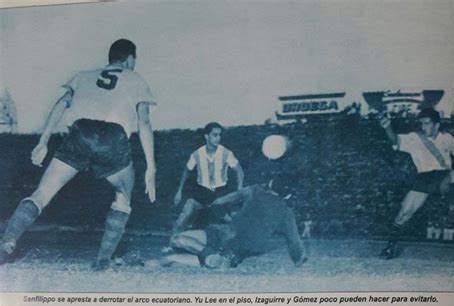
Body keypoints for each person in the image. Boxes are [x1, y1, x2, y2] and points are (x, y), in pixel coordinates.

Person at [0, 39, 157, 270]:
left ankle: (7, 242)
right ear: (130, 59)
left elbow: (60, 105)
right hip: (112, 137)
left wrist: (43, 142)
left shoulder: (83, 75)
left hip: (79, 133)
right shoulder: (135, 78)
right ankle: (102, 261)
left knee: (42, 193)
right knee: (123, 198)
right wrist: (151, 167)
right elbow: (144, 122)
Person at [379, 108, 454, 259]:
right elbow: (395, 140)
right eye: (422, 123)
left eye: (427, 123)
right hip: (425, 178)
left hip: (442, 176)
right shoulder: (414, 138)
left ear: (436, 125)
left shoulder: (446, 138)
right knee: (403, 214)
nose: (423, 127)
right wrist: (387, 127)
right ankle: (390, 246)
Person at [162, 182, 307, 269]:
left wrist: (217, 209)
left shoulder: (254, 191)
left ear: (270, 184)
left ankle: (206, 254)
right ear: (288, 196)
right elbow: (294, 243)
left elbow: (220, 201)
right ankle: (210, 256)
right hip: (237, 251)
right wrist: (298, 260)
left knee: (177, 239)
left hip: (223, 232)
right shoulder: (287, 213)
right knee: (180, 258)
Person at [172, 122, 244, 233]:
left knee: (227, 217)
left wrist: (239, 193)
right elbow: (186, 170)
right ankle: (172, 243)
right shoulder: (197, 154)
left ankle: (238, 240)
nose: (218, 138)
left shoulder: (226, 153)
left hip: (221, 191)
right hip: (202, 191)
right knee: (186, 210)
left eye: (220, 135)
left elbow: (239, 171)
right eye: (215, 135)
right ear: (206, 136)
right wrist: (179, 191)